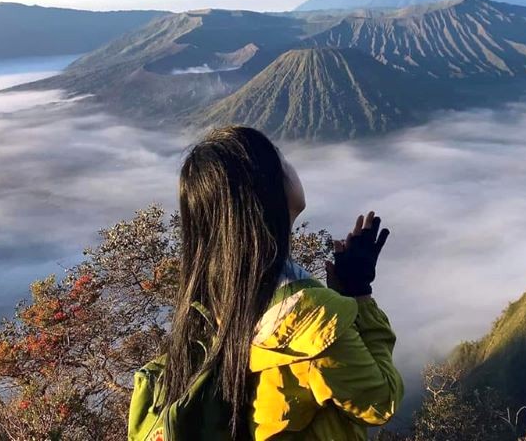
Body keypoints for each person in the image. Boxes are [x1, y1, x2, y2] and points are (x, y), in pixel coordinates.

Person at [128, 126, 403, 441]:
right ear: (267, 188)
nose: (291, 165)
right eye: (281, 159)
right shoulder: (309, 318)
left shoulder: (211, 298)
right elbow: (382, 402)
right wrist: (359, 295)